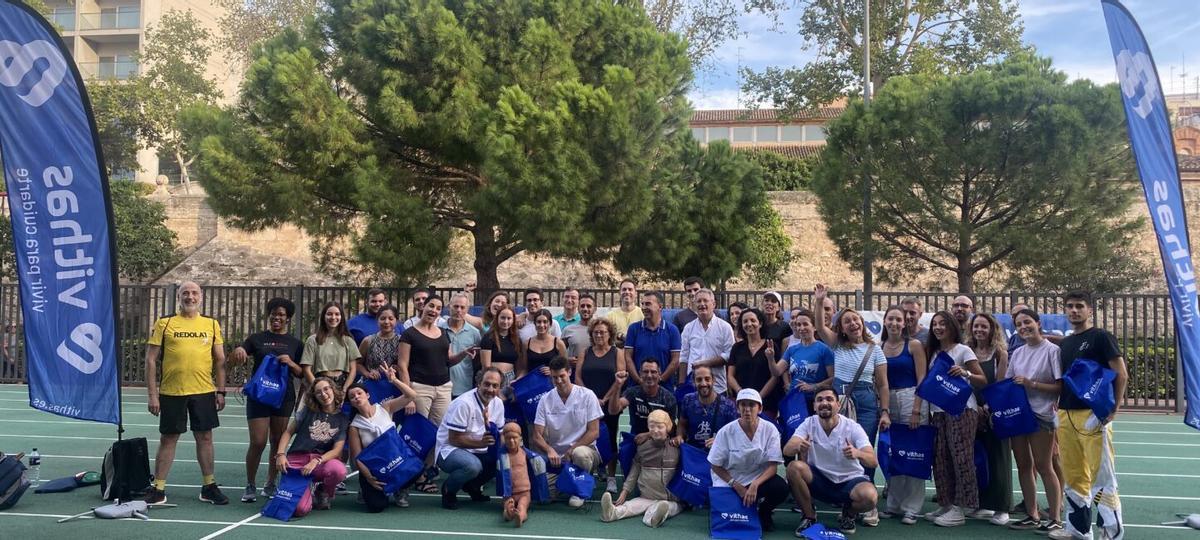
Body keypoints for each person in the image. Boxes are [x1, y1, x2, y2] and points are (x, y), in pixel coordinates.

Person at [143, 282, 229, 505]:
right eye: (185, 293)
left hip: (204, 392)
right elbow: (151, 360)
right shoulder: (165, 323)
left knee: (206, 438)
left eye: (194, 293)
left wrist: (221, 391)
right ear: (178, 297)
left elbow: (220, 360)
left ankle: (209, 486)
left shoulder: (211, 324)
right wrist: (153, 395)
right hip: (172, 392)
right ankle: (158, 489)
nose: (190, 297)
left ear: (201, 297)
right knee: (168, 438)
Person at [1055, 290, 1127, 540]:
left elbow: (1121, 373)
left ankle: (1111, 533)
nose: (1074, 310)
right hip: (1066, 414)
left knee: (1102, 476)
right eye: (1070, 306)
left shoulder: (1101, 337)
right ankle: (1078, 530)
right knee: (1074, 474)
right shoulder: (1066, 343)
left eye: (1079, 306)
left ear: (1090, 310)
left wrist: (1114, 409)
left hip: (1094, 414)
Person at [813, 284, 888, 523]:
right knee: (840, 446)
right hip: (840, 399)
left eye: (855, 319)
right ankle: (843, 495)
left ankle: (867, 503)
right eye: (847, 321)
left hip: (866, 401)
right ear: (842, 328)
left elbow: (883, 384)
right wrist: (819, 302)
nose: (853, 324)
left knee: (863, 449)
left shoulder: (875, 350)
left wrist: (884, 412)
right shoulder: (836, 344)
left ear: (862, 323)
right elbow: (819, 327)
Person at [229, 297, 304, 502]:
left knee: (277, 441)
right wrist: (239, 350)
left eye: (281, 315)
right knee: (258, 442)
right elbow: (237, 356)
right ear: (269, 316)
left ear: (288, 319)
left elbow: (302, 373)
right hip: (259, 396)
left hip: (284, 397)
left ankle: (271, 483)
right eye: (273, 314)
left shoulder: (296, 343)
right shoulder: (256, 338)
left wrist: (290, 363)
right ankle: (250, 484)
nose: (276, 318)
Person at [398, 295, 475, 493]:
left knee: (438, 433)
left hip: (443, 388)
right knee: (419, 434)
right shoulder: (409, 334)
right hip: (419, 388)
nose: (433, 310)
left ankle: (426, 470)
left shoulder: (442, 333)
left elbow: (448, 360)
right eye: (431, 306)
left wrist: (463, 353)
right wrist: (408, 396)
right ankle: (416, 475)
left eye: (438, 308)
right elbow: (402, 366)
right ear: (423, 307)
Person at [785, 387, 879, 536]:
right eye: (820, 400)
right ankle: (809, 516)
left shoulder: (853, 427)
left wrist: (857, 453)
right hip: (819, 481)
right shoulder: (808, 423)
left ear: (838, 405)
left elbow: (872, 461)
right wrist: (798, 445)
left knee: (870, 496)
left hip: (849, 481)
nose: (824, 403)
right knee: (794, 468)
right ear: (814, 406)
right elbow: (787, 450)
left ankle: (848, 514)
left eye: (829, 399)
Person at [923, 311, 987, 527]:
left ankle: (961, 508)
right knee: (940, 458)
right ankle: (947, 503)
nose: (938, 328)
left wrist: (966, 373)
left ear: (952, 326)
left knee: (961, 457)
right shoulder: (933, 352)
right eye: (935, 324)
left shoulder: (964, 350)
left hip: (962, 410)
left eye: (942, 324)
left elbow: (982, 380)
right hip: (937, 411)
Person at [1005, 309, 1064, 533]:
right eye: (1019, 324)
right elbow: (1009, 382)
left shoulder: (1052, 350)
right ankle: (1032, 514)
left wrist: (1032, 384)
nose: (1023, 327)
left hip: (1042, 415)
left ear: (1038, 323)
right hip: (1020, 415)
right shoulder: (1018, 353)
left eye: (1027, 322)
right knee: (1023, 466)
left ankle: (1055, 517)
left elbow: (1060, 386)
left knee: (1044, 465)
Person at [707, 389, 789, 532]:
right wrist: (736, 485)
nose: (747, 409)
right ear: (738, 408)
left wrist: (755, 484)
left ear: (760, 408)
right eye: (743, 405)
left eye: (752, 405)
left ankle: (764, 512)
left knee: (781, 488)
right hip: (729, 479)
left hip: (756, 478)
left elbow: (772, 466)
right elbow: (715, 465)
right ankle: (745, 506)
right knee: (729, 521)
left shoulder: (770, 430)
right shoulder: (726, 432)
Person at [531, 355, 603, 507]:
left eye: (562, 376)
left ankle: (580, 486)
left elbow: (594, 432)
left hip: (584, 450)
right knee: (543, 497)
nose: (558, 381)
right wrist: (549, 450)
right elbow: (537, 435)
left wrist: (572, 449)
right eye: (554, 377)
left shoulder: (587, 395)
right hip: (557, 458)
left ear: (569, 372)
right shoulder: (545, 399)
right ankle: (566, 481)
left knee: (580, 455)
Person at [878, 305, 928, 524]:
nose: (895, 323)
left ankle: (912, 508)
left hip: (911, 399)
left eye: (899, 319)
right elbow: (880, 383)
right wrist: (884, 409)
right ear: (885, 321)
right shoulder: (878, 346)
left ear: (905, 322)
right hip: (889, 402)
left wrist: (917, 408)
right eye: (891, 319)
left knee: (914, 453)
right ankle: (894, 505)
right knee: (895, 454)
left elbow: (922, 379)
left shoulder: (914, 345)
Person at [345, 366, 419, 512]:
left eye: (359, 393)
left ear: (368, 395)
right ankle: (366, 489)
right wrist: (369, 478)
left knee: (417, 468)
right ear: (351, 403)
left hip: (396, 460)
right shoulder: (354, 426)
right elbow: (358, 458)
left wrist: (395, 380)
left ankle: (400, 489)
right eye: (352, 397)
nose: (356, 397)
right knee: (376, 507)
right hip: (376, 469)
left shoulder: (385, 407)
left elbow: (411, 395)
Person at [274, 377, 349, 515]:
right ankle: (301, 487)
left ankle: (323, 491)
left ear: (333, 389)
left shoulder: (343, 419)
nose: (324, 394)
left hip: (319, 462)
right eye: (318, 392)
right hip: (298, 462)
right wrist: (280, 454)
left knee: (338, 470)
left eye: (326, 389)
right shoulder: (308, 411)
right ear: (314, 396)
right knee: (300, 510)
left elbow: (337, 450)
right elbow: (288, 432)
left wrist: (317, 460)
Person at [436, 367, 505, 508]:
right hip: (449, 450)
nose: (490, 389)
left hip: (477, 449)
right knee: (473, 466)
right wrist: (480, 443)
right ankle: (449, 490)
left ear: (500, 388)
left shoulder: (498, 403)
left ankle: (472, 486)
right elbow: (454, 439)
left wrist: (506, 452)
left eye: (495, 386)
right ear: (478, 383)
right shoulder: (464, 403)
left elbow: (501, 434)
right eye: (487, 384)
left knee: (501, 459)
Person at [600, 410, 682, 528]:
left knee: (667, 508)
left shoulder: (676, 448)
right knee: (630, 506)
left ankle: (654, 519)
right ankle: (611, 513)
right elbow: (635, 471)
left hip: (671, 499)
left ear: (668, 427)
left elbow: (686, 472)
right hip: (647, 496)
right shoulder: (643, 447)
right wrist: (624, 492)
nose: (655, 430)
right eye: (652, 426)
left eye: (660, 427)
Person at [968, 312, 1013, 525]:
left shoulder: (1000, 353)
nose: (979, 330)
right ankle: (983, 503)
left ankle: (1002, 507)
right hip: (972, 411)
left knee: (999, 458)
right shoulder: (968, 351)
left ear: (992, 329)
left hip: (994, 412)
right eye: (976, 326)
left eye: (983, 327)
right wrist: (974, 407)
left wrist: (988, 407)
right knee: (979, 458)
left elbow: (1000, 384)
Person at [575, 317, 624, 492]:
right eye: (596, 332)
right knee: (587, 437)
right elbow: (578, 377)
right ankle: (590, 473)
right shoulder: (585, 352)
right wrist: (590, 398)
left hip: (608, 403)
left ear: (609, 333)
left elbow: (620, 377)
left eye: (602, 332)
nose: (599, 335)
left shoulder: (617, 352)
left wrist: (605, 398)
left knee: (610, 439)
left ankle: (611, 477)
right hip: (586, 403)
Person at [772, 309, 834, 412]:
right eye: (798, 325)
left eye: (805, 324)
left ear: (814, 327)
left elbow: (833, 378)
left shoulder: (824, 349)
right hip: (794, 401)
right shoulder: (792, 349)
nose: (801, 328)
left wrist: (813, 387)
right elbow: (777, 371)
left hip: (815, 402)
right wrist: (770, 358)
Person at [679, 288, 735, 395]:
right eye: (698, 301)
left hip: (717, 386)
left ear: (713, 304)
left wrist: (705, 363)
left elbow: (729, 355)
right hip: (693, 386)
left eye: (705, 300)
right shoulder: (688, 328)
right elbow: (684, 357)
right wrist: (681, 384)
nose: (702, 304)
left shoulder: (725, 327)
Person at [729, 308, 782, 415]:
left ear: (760, 323)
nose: (749, 324)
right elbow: (730, 375)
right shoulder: (737, 348)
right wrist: (741, 392)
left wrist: (758, 397)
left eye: (753, 320)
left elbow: (775, 376)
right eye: (745, 321)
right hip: (742, 403)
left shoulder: (771, 346)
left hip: (766, 402)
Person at [624, 291, 682, 388]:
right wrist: (639, 380)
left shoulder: (672, 330)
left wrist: (660, 380)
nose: (643, 307)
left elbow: (675, 360)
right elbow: (628, 358)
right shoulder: (633, 329)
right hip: (636, 388)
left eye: (648, 304)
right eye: (642, 304)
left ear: (660, 306)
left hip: (664, 388)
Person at [300, 301, 360, 396]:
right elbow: (306, 369)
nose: (333, 317)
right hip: (320, 381)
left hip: (342, 384)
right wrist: (318, 388)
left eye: (337, 314)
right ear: (324, 317)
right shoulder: (312, 340)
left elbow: (353, 369)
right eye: (329, 314)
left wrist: (344, 390)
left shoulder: (348, 340)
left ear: (341, 317)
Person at [606, 361, 677, 439]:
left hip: (659, 439)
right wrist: (617, 385)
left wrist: (648, 435)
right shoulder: (633, 392)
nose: (649, 375)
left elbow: (671, 428)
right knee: (625, 450)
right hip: (636, 437)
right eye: (645, 372)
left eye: (653, 372)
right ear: (640, 373)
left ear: (659, 373)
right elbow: (613, 411)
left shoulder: (668, 398)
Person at [675, 366, 738, 450]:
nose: (703, 383)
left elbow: (734, 434)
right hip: (692, 453)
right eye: (699, 380)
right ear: (693, 382)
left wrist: (721, 441)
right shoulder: (688, 400)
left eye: (707, 379)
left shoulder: (728, 405)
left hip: (718, 454)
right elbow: (682, 424)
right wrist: (679, 436)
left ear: (713, 380)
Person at [444, 294, 483, 399]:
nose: (459, 310)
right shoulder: (438, 329)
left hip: (464, 386)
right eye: (455, 306)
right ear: (449, 307)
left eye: (462, 307)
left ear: (467, 309)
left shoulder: (474, 333)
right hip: (441, 386)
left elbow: (477, 360)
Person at [480, 307, 522, 389]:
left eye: (509, 318)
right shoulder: (488, 338)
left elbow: (519, 367)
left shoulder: (516, 340)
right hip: (493, 379)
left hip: (511, 379)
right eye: (503, 318)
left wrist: (517, 380)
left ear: (513, 320)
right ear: (497, 318)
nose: (505, 321)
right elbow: (486, 366)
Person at [357, 305, 401, 381]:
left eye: (391, 319)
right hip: (372, 383)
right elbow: (357, 364)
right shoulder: (368, 341)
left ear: (396, 321)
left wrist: (398, 368)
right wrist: (367, 373)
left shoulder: (402, 341)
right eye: (383, 318)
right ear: (377, 320)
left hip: (395, 384)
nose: (386, 322)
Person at [519, 308, 568, 377]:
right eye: (539, 322)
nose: (542, 325)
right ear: (534, 324)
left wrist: (553, 371)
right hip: (533, 384)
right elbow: (524, 369)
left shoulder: (559, 344)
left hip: (553, 384)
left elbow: (566, 368)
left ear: (550, 324)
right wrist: (517, 380)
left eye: (545, 322)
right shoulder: (526, 344)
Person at [500, 422, 532, 526]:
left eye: (514, 437)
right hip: (509, 492)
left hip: (524, 492)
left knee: (522, 506)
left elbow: (541, 460)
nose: (511, 441)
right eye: (508, 438)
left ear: (520, 438)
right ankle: (508, 513)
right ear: (504, 438)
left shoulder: (525, 453)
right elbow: (493, 433)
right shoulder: (501, 455)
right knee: (509, 504)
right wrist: (487, 423)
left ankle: (520, 517)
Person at [605, 278, 644, 343]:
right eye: (624, 289)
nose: (627, 292)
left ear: (636, 293)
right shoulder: (610, 316)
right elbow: (607, 337)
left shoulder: (643, 314)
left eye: (630, 289)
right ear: (619, 293)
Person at [563, 293, 597, 359]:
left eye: (589, 306)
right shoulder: (568, 330)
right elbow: (559, 353)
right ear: (578, 308)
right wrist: (567, 360)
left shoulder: (602, 331)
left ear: (595, 309)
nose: (585, 309)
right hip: (574, 368)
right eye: (582, 306)